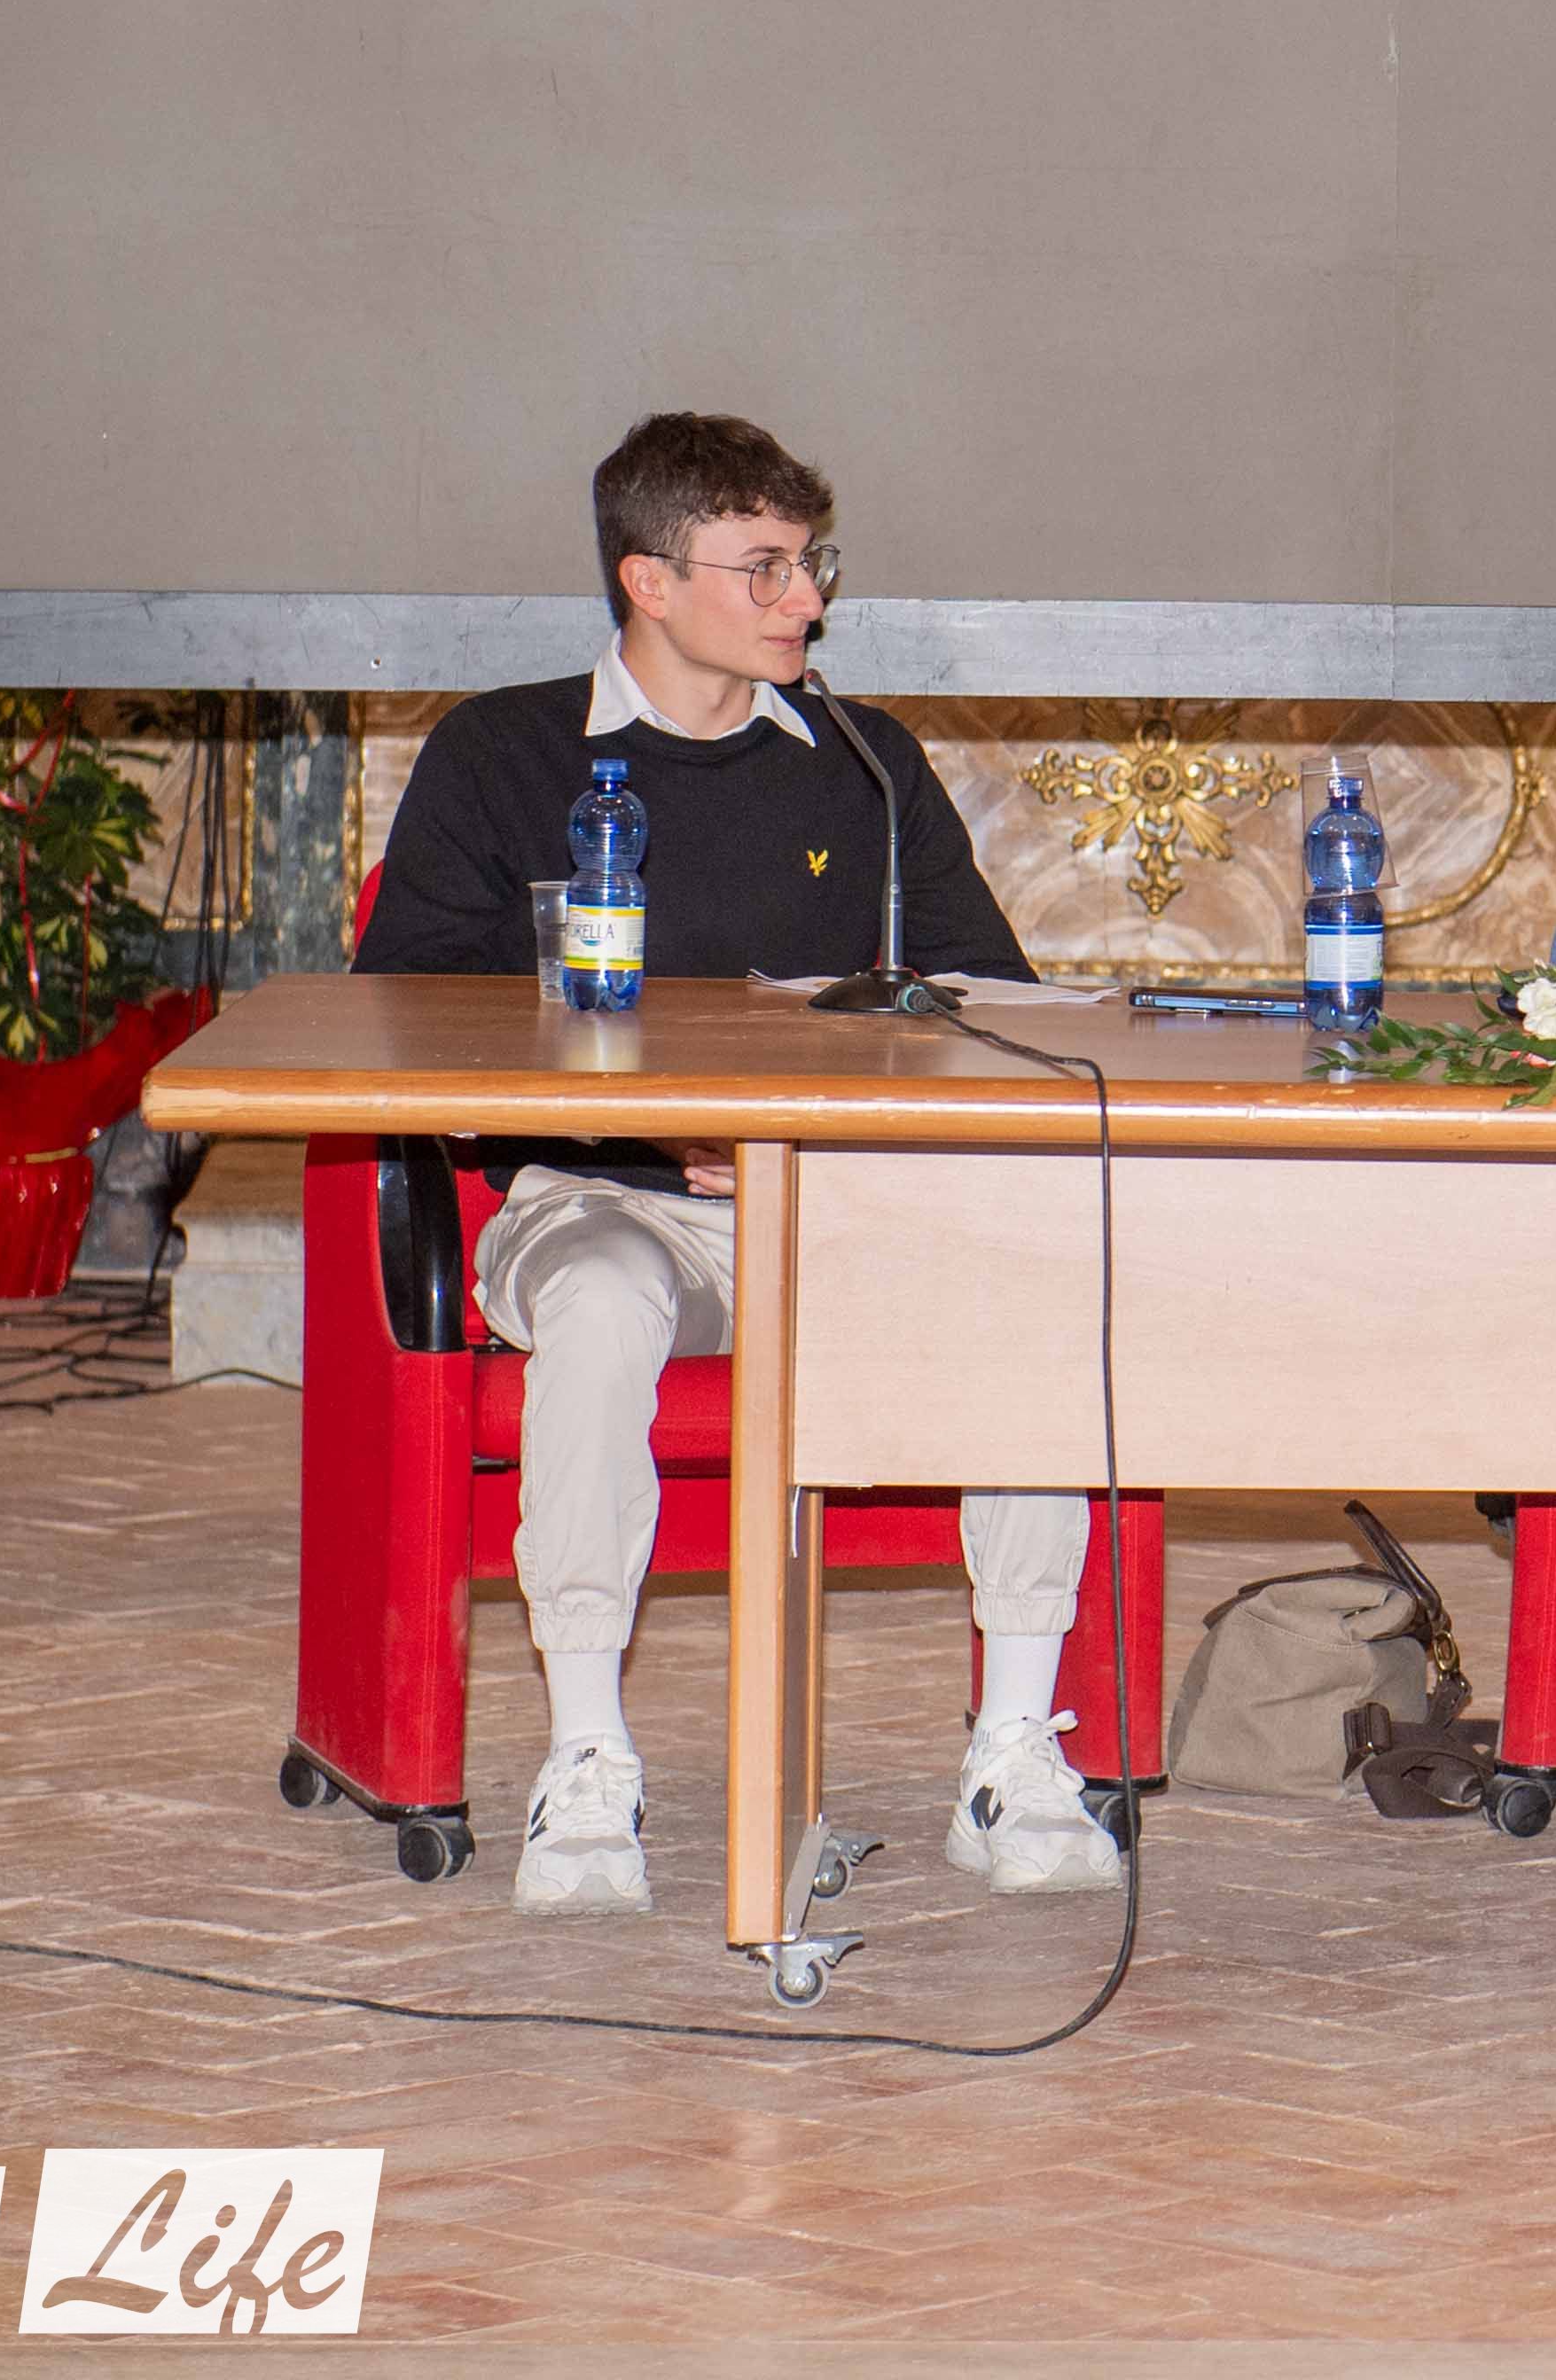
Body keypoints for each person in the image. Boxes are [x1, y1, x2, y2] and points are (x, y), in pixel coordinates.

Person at [354, 412, 1121, 1916]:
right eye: (763, 567)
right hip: (606, 1196)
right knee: (597, 1297)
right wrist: (654, 1134)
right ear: (648, 579)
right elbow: (414, 1024)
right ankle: (587, 1757)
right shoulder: (501, 755)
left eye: (811, 563)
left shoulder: (863, 766)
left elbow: (984, 1003)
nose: (806, 599)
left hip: (841, 1206)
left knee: (1029, 1294)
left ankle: (1015, 1751)